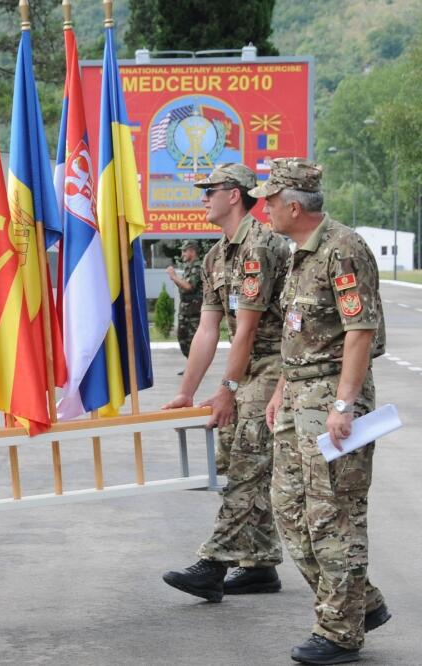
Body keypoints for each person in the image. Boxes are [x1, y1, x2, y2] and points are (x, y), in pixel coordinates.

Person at [256, 158, 390, 665]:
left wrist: (343, 403)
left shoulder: (343, 248)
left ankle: (340, 631)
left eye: (269, 200)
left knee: (333, 517)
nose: (263, 208)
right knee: (290, 512)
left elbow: (360, 333)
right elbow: (303, 333)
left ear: (294, 205)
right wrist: (281, 389)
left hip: (332, 400)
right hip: (296, 397)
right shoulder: (299, 253)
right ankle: (361, 602)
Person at [161, 163, 289, 603]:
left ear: (234, 195)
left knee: (246, 462)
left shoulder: (260, 246)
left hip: (277, 365)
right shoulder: (219, 256)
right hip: (248, 366)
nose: (202, 198)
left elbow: (249, 329)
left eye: (208, 190)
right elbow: (207, 329)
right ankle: (259, 565)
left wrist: (228, 390)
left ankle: (213, 565)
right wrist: (186, 392)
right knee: (236, 456)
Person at [166, 238, 203, 372]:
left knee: (193, 341)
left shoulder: (198, 266)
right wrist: (176, 279)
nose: (182, 255)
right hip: (185, 310)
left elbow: (189, 287)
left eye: (184, 252)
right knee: (182, 339)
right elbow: (183, 287)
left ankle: (195, 368)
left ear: (192, 251)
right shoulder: (188, 267)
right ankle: (191, 365)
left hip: (194, 311)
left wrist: (173, 276)